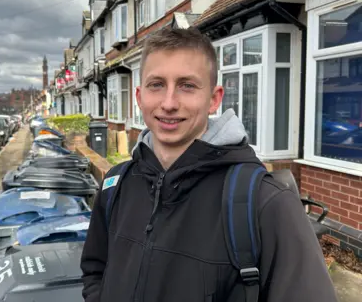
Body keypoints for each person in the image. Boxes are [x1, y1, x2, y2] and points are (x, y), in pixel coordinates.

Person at [80, 27, 338, 302]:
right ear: (139, 96)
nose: (169, 103)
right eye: (157, 85)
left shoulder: (266, 202)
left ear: (214, 99)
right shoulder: (115, 185)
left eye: (187, 86)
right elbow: (95, 270)